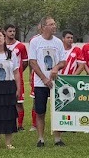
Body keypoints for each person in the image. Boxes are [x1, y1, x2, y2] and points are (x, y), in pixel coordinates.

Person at [27, 16, 67, 148]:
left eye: (54, 24)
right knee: (40, 111)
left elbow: (63, 61)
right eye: (51, 24)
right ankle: (41, 138)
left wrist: (56, 68)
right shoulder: (35, 42)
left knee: (57, 110)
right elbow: (32, 62)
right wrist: (44, 78)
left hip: (56, 82)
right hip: (40, 83)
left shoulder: (58, 42)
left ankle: (57, 138)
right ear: (43, 27)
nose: (54, 26)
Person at [6, 24, 30, 130]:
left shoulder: (20, 46)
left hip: (17, 79)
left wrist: (18, 72)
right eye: (10, 31)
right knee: (5, 102)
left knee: (18, 102)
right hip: (4, 79)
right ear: (5, 32)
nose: (12, 33)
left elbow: (25, 63)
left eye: (13, 31)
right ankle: (7, 123)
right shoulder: (1, 46)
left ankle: (19, 125)